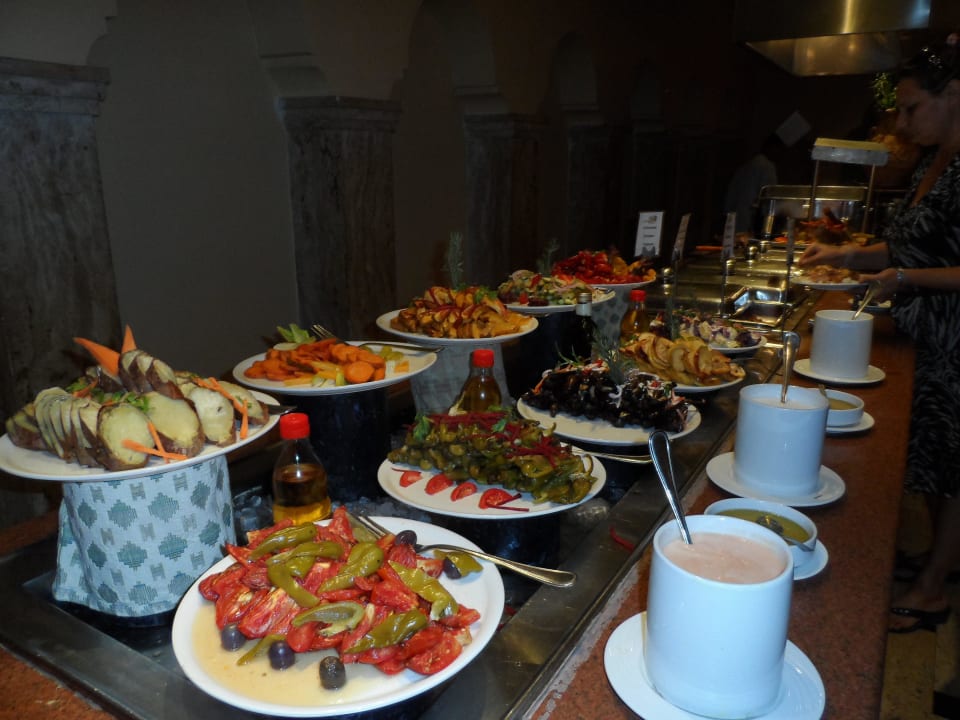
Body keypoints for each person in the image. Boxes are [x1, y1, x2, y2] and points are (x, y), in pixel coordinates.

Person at [798, 34, 960, 633]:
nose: (902, 119)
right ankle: (935, 558)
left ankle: (931, 589)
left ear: (955, 96)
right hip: (929, 334)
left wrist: (904, 275)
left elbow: (918, 261)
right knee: (938, 462)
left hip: (955, 338)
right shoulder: (934, 160)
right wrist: (849, 258)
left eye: (913, 106)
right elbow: (903, 244)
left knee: (956, 465)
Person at [723, 134, 785, 234]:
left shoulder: (749, 164)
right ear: (772, 148)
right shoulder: (767, 166)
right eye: (779, 150)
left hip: (734, 216)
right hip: (750, 217)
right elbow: (769, 197)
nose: (780, 155)